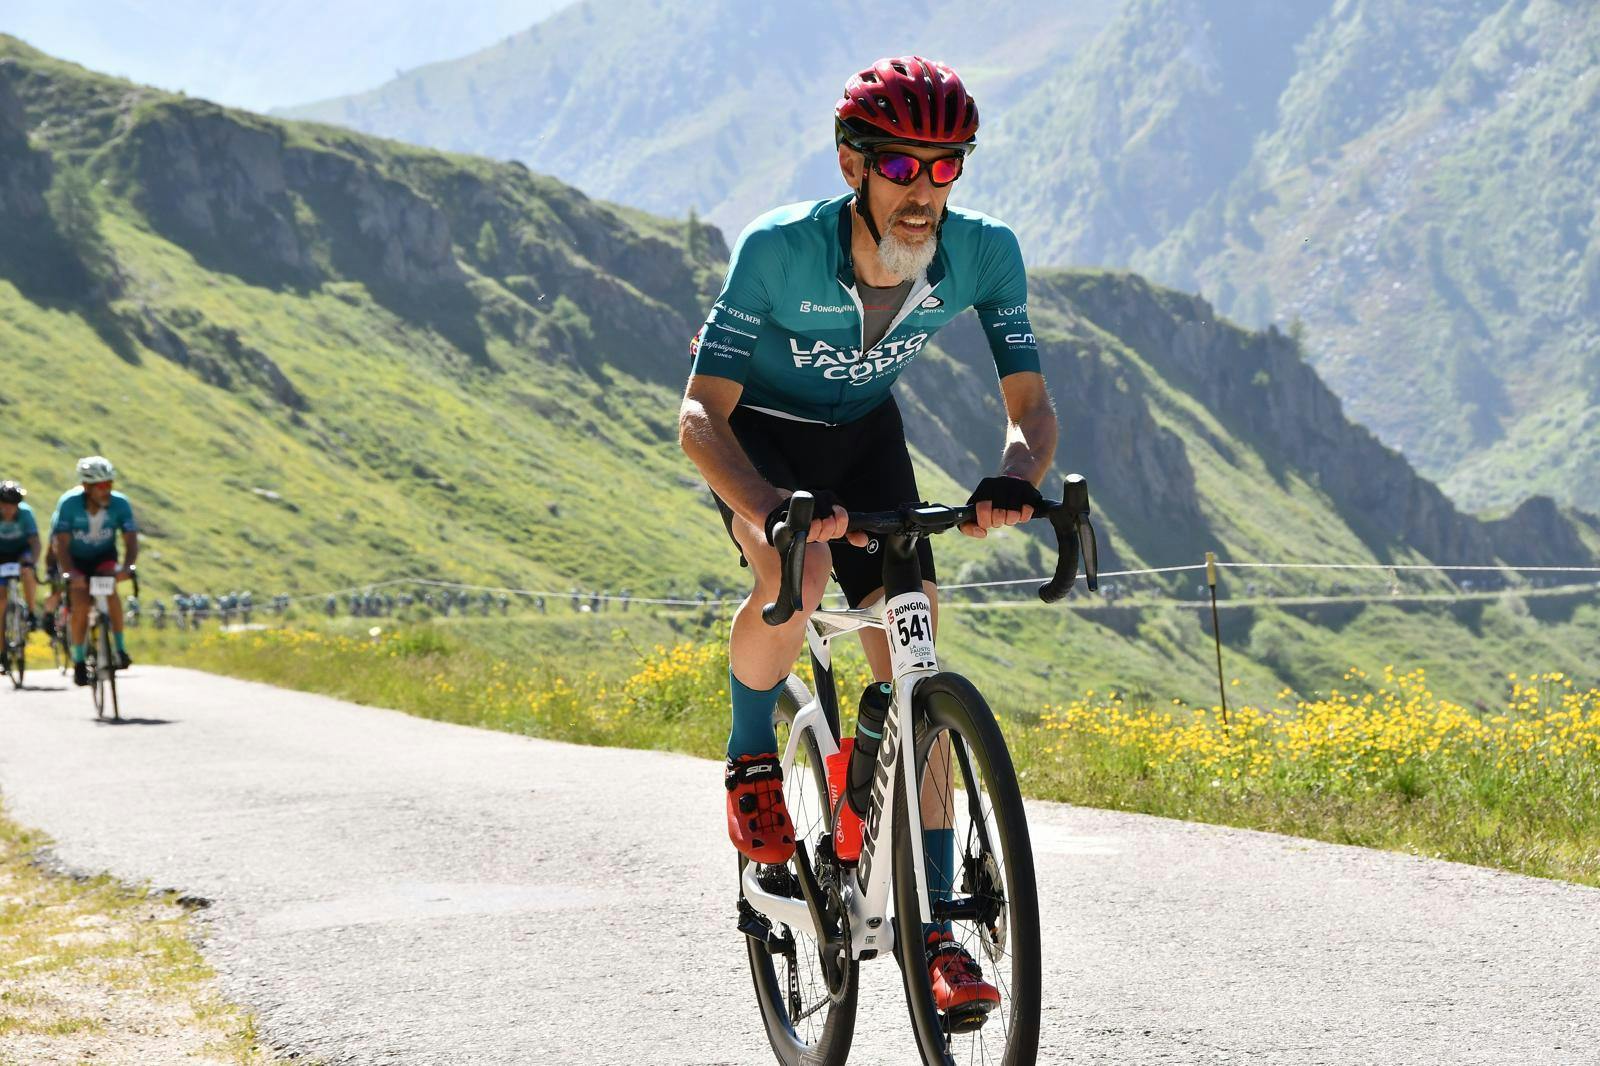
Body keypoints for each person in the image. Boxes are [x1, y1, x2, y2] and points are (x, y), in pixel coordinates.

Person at [677, 56, 1057, 1018]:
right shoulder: (779, 249)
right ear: (853, 165)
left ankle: (936, 931)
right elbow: (699, 417)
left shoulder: (986, 253)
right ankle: (751, 755)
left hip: (865, 439)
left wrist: (1014, 479)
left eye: (946, 167)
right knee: (799, 580)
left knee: (915, 654)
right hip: (759, 439)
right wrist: (768, 506)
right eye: (900, 166)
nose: (923, 192)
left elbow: (1030, 407)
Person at [52, 456, 139, 686]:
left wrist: (128, 567)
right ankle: (79, 661)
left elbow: (130, 540)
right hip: (76, 560)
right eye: (101, 485)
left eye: (109, 484)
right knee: (80, 605)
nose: (107, 490)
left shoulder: (120, 504)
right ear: (87, 487)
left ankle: (120, 649)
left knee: (110, 592)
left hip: (104, 558)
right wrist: (70, 573)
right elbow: (61, 544)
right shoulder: (69, 504)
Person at [0, 481, 42, 662]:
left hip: (20, 552)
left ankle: (31, 613)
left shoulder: (26, 514)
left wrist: (32, 561)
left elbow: (35, 542)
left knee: (28, 572)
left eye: (13, 504)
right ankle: (2, 651)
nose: (9, 508)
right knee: (1, 601)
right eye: (4, 504)